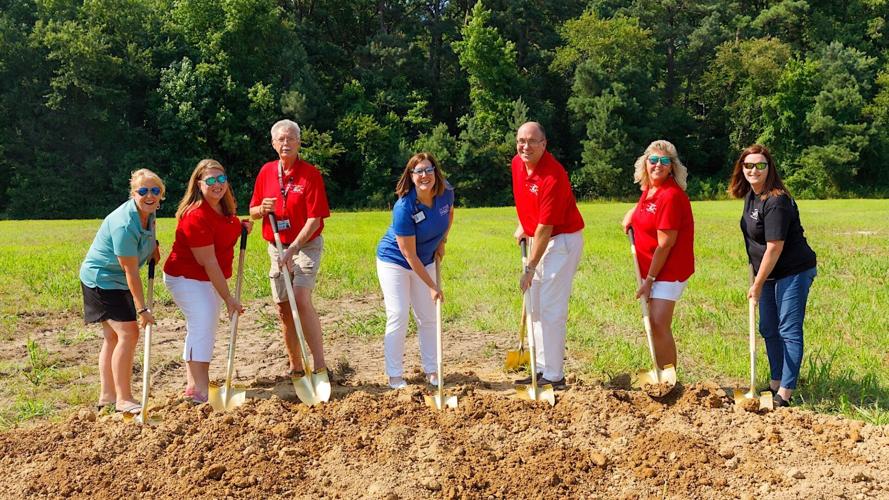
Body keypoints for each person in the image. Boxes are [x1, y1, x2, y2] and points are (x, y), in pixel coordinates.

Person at [729, 144, 816, 407]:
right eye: (748, 165)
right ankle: (775, 381)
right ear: (742, 169)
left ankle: (785, 393)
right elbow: (753, 243)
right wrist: (755, 276)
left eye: (760, 165)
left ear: (770, 169)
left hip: (793, 271)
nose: (753, 170)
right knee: (768, 327)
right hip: (767, 273)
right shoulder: (751, 196)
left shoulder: (776, 200)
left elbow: (774, 247)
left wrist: (756, 284)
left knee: (788, 329)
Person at [163, 159, 253, 404]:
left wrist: (241, 226)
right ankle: (198, 388)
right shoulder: (195, 216)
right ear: (198, 184)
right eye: (210, 180)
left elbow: (228, 226)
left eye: (221, 179)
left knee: (206, 325)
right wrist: (228, 298)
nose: (217, 184)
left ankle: (194, 384)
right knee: (202, 322)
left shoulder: (224, 210)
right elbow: (209, 262)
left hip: (209, 278)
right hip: (186, 277)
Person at [249, 119, 330, 378]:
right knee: (284, 307)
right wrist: (262, 209)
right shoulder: (265, 172)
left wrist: (293, 249)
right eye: (281, 139)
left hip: (304, 245)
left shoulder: (310, 174)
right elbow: (252, 212)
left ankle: (319, 365)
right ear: (273, 144)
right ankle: (296, 366)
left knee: (301, 298)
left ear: (299, 142)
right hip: (276, 245)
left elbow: (315, 218)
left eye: (291, 138)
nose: (286, 143)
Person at [79, 168, 164, 414]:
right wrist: (142, 309)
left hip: (116, 278)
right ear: (133, 193)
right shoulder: (124, 223)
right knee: (128, 333)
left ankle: (107, 396)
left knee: (114, 337)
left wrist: (151, 248)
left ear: (161, 194)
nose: (150, 196)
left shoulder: (149, 212)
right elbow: (130, 272)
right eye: (143, 191)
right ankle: (124, 399)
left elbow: (147, 239)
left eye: (155, 191)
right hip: (102, 279)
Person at [512, 122, 584, 389]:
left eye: (532, 141)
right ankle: (540, 368)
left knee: (551, 308)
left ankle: (555, 376)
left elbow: (546, 227)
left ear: (544, 144)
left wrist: (530, 268)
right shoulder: (517, 164)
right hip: (539, 239)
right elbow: (526, 202)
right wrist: (524, 224)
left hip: (561, 243)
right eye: (521, 140)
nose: (525, 146)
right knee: (535, 308)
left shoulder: (553, 175)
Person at [375, 153, 454, 389]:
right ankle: (395, 375)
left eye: (428, 170)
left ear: (435, 172)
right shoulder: (404, 207)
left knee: (428, 317)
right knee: (399, 314)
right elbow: (409, 254)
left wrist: (443, 241)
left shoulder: (446, 192)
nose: (424, 176)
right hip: (395, 262)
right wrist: (432, 286)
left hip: (427, 258)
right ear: (411, 176)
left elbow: (449, 214)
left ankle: (432, 370)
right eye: (418, 172)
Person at [621, 140, 695, 372]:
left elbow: (665, 244)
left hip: (668, 270)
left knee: (658, 323)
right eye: (653, 160)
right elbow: (646, 206)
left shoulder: (670, 196)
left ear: (672, 167)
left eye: (664, 162)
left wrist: (649, 280)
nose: (658, 165)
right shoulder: (650, 189)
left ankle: (668, 378)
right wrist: (631, 214)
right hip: (651, 268)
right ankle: (661, 372)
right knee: (654, 323)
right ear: (645, 164)